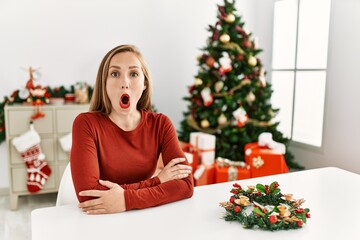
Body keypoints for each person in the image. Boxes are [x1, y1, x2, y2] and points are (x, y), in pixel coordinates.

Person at [70, 44, 194, 215]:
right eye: (115, 74)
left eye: (134, 74)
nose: (124, 83)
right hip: (102, 220)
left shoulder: (161, 124)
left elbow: (186, 185)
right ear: (104, 83)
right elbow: (89, 197)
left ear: (144, 83)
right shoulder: (86, 124)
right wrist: (158, 181)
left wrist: (125, 200)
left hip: (144, 215)